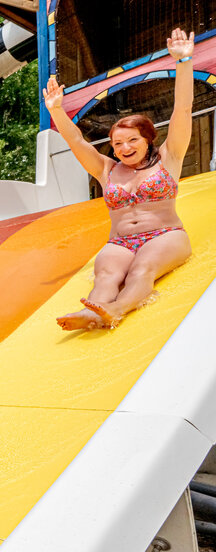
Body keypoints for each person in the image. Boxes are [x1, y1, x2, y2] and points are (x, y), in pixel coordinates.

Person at [44, 27, 195, 330]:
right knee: (107, 275)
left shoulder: (170, 157)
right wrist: (57, 111)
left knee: (142, 269)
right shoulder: (106, 169)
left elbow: (183, 109)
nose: (124, 148)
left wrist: (183, 63)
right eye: (117, 144)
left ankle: (118, 309)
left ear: (148, 140)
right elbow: (76, 141)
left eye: (132, 141)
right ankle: (93, 311)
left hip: (165, 236)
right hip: (121, 241)